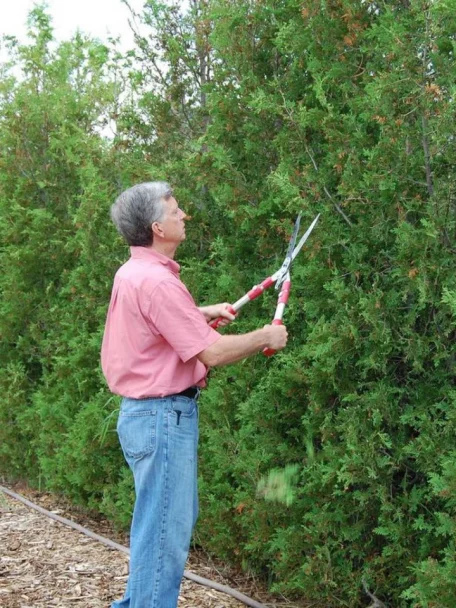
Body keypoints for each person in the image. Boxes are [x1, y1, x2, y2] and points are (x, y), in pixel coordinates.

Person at [101, 181, 287, 608]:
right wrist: (266, 335)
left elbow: (152, 324)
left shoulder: (134, 272)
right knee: (165, 531)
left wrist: (198, 313)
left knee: (155, 526)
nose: (184, 215)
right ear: (157, 228)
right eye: (175, 210)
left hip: (145, 417)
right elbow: (213, 352)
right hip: (163, 418)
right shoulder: (158, 283)